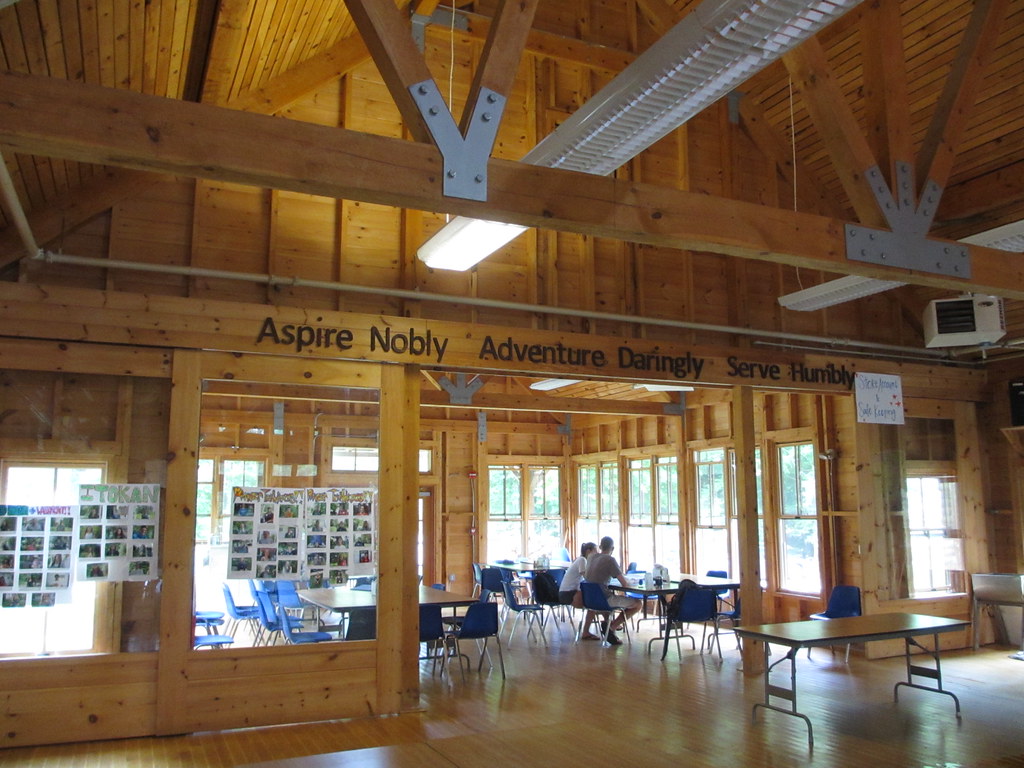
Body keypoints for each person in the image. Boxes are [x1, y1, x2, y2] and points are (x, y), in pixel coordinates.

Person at [584, 536, 641, 645]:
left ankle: (607, 627)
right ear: (613, 548)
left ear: (600, 546)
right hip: (604, 599)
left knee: (608, 602)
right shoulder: (610, 560)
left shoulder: (590, 557)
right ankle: (612, 627)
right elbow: (624, 583)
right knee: (638, 604)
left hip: (589, 599)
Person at [559, 541, 598, 639]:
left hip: (567, 593)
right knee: (594, 605)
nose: (597, 553)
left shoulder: (581, 560)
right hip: (568, 594)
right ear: (588, 551)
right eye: (595, 551)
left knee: (595, 604)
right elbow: (587, 577)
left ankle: (608, 625)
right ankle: (589, 631)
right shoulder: (582, 560)